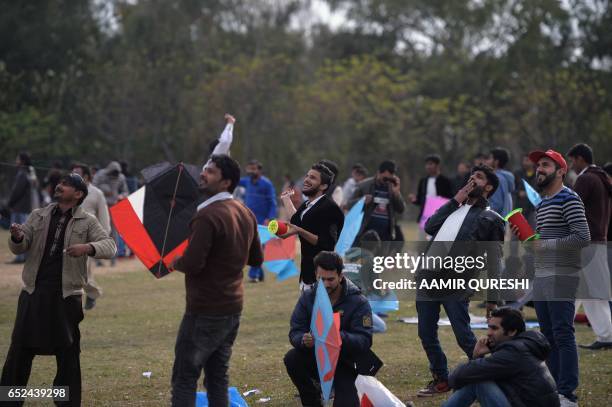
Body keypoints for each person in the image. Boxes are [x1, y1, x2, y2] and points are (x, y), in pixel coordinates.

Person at [1, 173, 116, 406]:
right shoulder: (38, 215)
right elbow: (20, 246)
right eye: (60, 183)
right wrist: (17, 237)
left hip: (66, 297)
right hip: (33, 293)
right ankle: (9, 402)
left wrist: (87, 247)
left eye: (65, 185)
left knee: (68, 355)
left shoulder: (88, 221)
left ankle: (66, 402)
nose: (59, 186)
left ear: (78, 194)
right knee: (19, 352)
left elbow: (110, 246)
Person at [169, 155, 263, 407]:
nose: (203, 174)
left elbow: (192, 263)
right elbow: (256, 258)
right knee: (217, 376)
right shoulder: (245, 212)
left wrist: (175, 261)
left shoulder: (207, 215)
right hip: (232, 307)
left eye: (210, 172)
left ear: (226, 182)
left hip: (205, 309)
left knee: (185, 376)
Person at [415, 164, 505, 397]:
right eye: (471, 176)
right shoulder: (453, 207)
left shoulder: (491, 218)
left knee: (463, 336)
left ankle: (490, 379)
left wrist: (492, 300)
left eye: (479, 177)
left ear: (489, 187)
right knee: (426, 333)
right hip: (428, 278)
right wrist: (455, 200)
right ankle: (441, 379)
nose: (472, 179)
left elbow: (495, 263)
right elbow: (429, 226)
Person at [511, 149, 590, 407]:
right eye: (538, 165)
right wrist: (527, 239)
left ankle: (568, 394)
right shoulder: (544, 202)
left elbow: (581, 237)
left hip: (563, 274)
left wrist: (545, 246)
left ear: (561, 171)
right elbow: (542, 243)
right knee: (547, 335)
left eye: (546, 165)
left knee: (562, 333)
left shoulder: (570, 198)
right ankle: (554, 387)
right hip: (543, 275)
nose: (540, 169)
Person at [284, 251, 374, 407]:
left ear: (341, 276)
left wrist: (337, 337)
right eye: (321, 279)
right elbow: (295, 331)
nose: (325, 284)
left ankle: (344, 390)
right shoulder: (308, 298)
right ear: (315, 275)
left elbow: (365, 340)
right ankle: (312, 399)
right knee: (292, 358)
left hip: (346, 363)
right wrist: (303, 340)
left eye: (331, 279)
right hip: (317, 359)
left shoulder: (358, 301)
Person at [444, 307, 559, 407]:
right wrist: (477, 355)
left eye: (494, 328)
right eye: (488, 327)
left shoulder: (514, 352)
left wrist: (447, 381)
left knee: (478, 381)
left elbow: (462, 375)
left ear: (512, 332)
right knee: (477, 375)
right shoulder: (524, 346)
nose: (488, 333)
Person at [566, 143, 612, 350]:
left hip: (585, 242)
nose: (571, 165)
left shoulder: (585, 179)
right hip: (598, 240)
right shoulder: (603, 178)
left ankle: (562, 330)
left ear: (581, 159)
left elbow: (570, 206)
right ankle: (605, 336)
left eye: (573, 160)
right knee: (589, 292)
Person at [280, 163, 345, 288]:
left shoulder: (330, 208)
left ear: (324, 185)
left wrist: (299, 230)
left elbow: (327, 244)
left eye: (313, 178)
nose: (306, 180)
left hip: (324, 279)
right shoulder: (307, 205)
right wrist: (286, 199)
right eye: (307, 176)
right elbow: (297, 222)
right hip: (307, 274)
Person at [71, 163, 111, 310]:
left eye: (76, 173)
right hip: (69, 236)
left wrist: (103, 238)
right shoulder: (69, 192)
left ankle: (92, 294)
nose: (72, 175)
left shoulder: (96, 193)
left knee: (82, 271)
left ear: (86, 176)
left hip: (88, 240)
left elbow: (104, 217)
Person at [349, 160, 406, 243]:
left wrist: (396, 193)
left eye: (389, 178)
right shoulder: (364, 185)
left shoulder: (392, 187)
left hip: (385, 234)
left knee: (382, 256)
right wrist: (362, 201)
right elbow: (348, 205)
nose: (386, 181)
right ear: (378, 172)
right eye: (385, 178)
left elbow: (401, 209)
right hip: (365, 231)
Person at [238, 159, 277, 282]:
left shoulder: (267, 184)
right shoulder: (247, 181)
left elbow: (272, 202)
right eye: (249, 168)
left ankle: (253, 274)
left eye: (254, 168)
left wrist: (270, 218)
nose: (251, 171)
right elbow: (233, 180)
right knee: (250, 246)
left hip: (262, 221)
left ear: (260, 170)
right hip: (248, 219)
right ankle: (259, 274)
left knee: (258, 247)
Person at [408, 155, 454, 240]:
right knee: (422, 242)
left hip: (440, 215)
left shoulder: (445, 181)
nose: (428, 167)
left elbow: (450, 198)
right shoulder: (423, 181)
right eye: (427, 164)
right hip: (425, 216)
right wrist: (414, 200)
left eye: (430, 164)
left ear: (437, 166)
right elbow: (420, 199)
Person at [93, 161, 129, 264]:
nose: (115, 174)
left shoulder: (121, 178)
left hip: (114, 207)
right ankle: (98, 259)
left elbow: (126, 191)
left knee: (114, 233)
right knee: (99, 231)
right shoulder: (100, 175)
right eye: (113, 172)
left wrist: (121, 196)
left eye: (116, 173)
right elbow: (93, 187)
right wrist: (103, 190)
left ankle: (113, 258)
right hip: (100, 207)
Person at [7, 153, 36, 264]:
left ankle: (20, 257)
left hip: (19, 208)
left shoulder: (22, 174)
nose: (16, 161)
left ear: (22, 161)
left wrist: (9, 203)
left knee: (18, 232)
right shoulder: (27, 173)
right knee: (23, 232)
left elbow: (17, 192)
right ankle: (23, 257)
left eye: (17, 159)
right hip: (24, 208)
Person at [485, 147, 515, 217]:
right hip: (503, 221)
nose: (486, 161)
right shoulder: (505, 177)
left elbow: (496, 205)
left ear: (496, 161)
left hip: (494, 222)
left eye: (489, 158)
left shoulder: (496, 178)